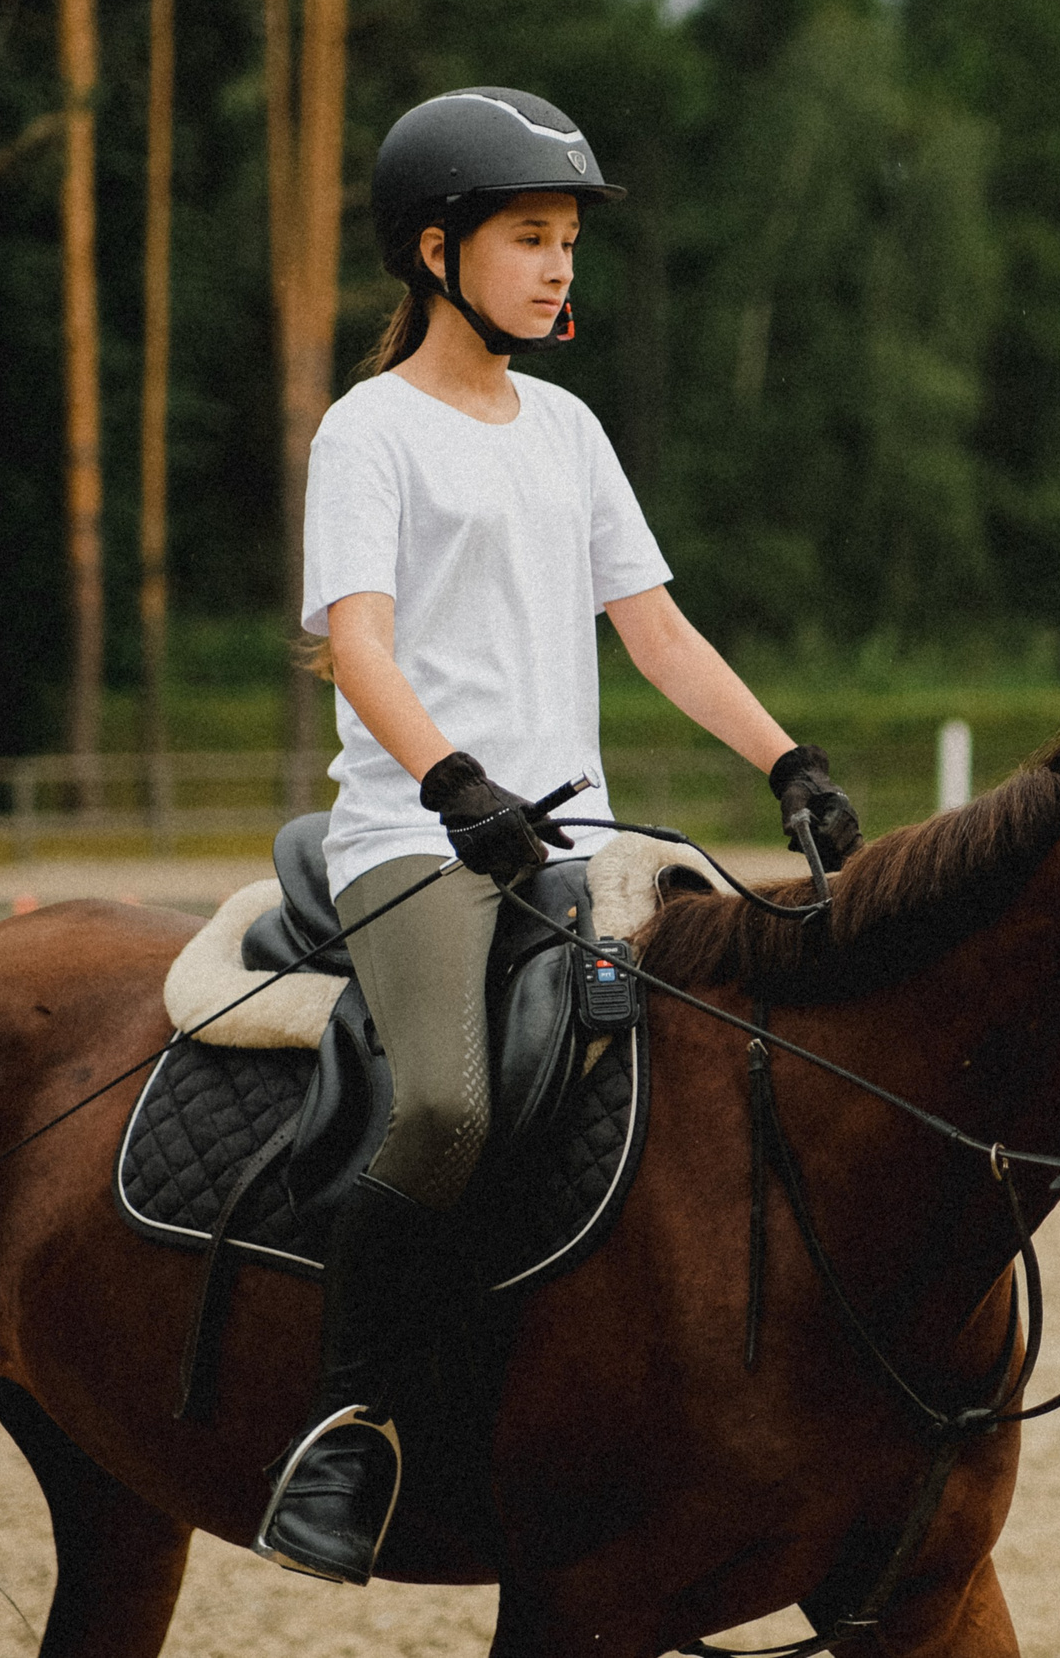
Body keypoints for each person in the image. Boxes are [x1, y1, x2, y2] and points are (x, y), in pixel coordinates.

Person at [253, 86, 862, 1586]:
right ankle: (349, 1426)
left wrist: (788, 758)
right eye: (531, 238)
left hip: (576, 844)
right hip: (416, 838)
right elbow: (366, 646)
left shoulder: (569, 431)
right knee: (451, 1109)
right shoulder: (368, 432)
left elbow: (654, 633)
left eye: (569, 243)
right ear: (437, 248)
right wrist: (457, 785)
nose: (557, 268)